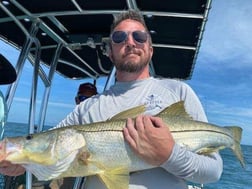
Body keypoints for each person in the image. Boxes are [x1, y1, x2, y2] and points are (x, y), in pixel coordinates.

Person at [0, 9, 223, 189]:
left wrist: (168, 155)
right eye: (119, 37)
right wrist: (22, 163)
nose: (130, 42)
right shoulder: (87, 108)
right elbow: (54, 145)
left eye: (139, 36)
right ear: (110, 51)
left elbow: (213, 171)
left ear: (150, 49)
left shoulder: (179, 92)